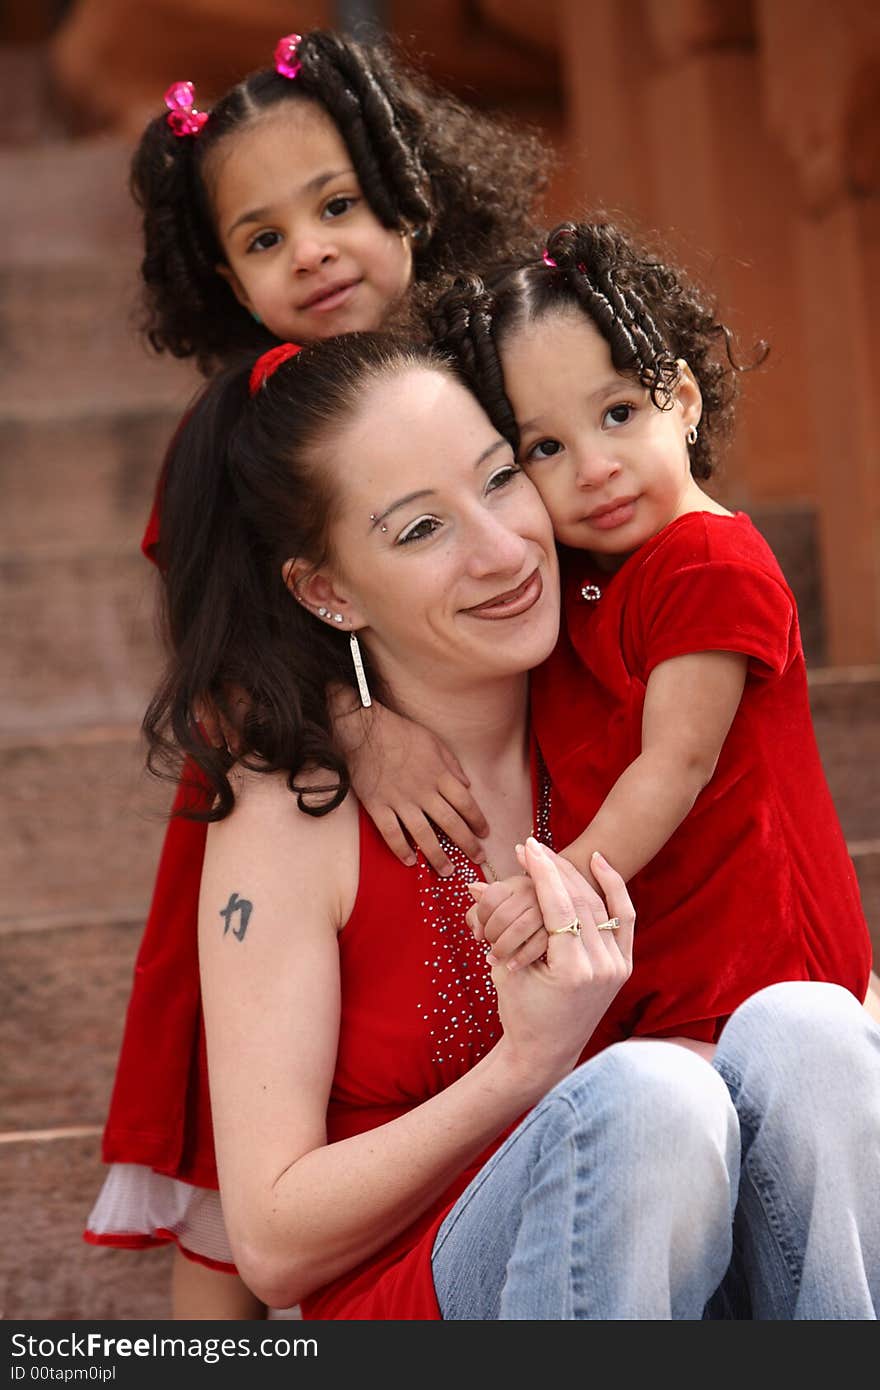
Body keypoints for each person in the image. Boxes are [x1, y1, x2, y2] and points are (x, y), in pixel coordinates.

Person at [139, 332, 880, 1319]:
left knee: (811, 1029)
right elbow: (271, 1245)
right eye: (419, 530)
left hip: (682, 1268)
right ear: (327, 590)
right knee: (648, 1103)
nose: (502, 550)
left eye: (500, 478)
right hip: (426, 1299)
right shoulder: (292, 819)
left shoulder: (639, 725)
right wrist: (527, 1065)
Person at [84, 28, 550, 1318]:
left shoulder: (497, 356)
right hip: (286, 791)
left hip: (504, 762)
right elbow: (220, 664)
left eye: (337, 205)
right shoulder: (239, 439)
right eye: (264, 238)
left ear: (408, 186)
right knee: (237, 1172)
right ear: (221, 275)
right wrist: (355, 729)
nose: (315, 251)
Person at [343, 218, 875, 1059]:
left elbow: (675, 762)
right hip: (669, 969)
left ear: (686, 401)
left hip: (764, 970)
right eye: (544, 447)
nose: (594, 468)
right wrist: (357, 714)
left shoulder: (709, 561)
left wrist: (558, 888)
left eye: (619, 412)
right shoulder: (573, 587)